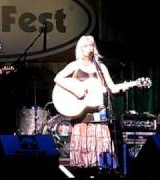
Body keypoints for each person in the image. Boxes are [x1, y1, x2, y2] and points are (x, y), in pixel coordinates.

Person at [54, 35, 131, 169]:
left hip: (99, 116)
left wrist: (131, 84)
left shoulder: (101, 67)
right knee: (83, 156)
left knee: (101, 154)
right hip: (81, 117)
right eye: (85, 45)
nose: (88, 48)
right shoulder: (75, 65)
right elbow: (57, 78)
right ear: (80, 48)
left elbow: (112, 88)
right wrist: (76, 91)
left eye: (91, 45)